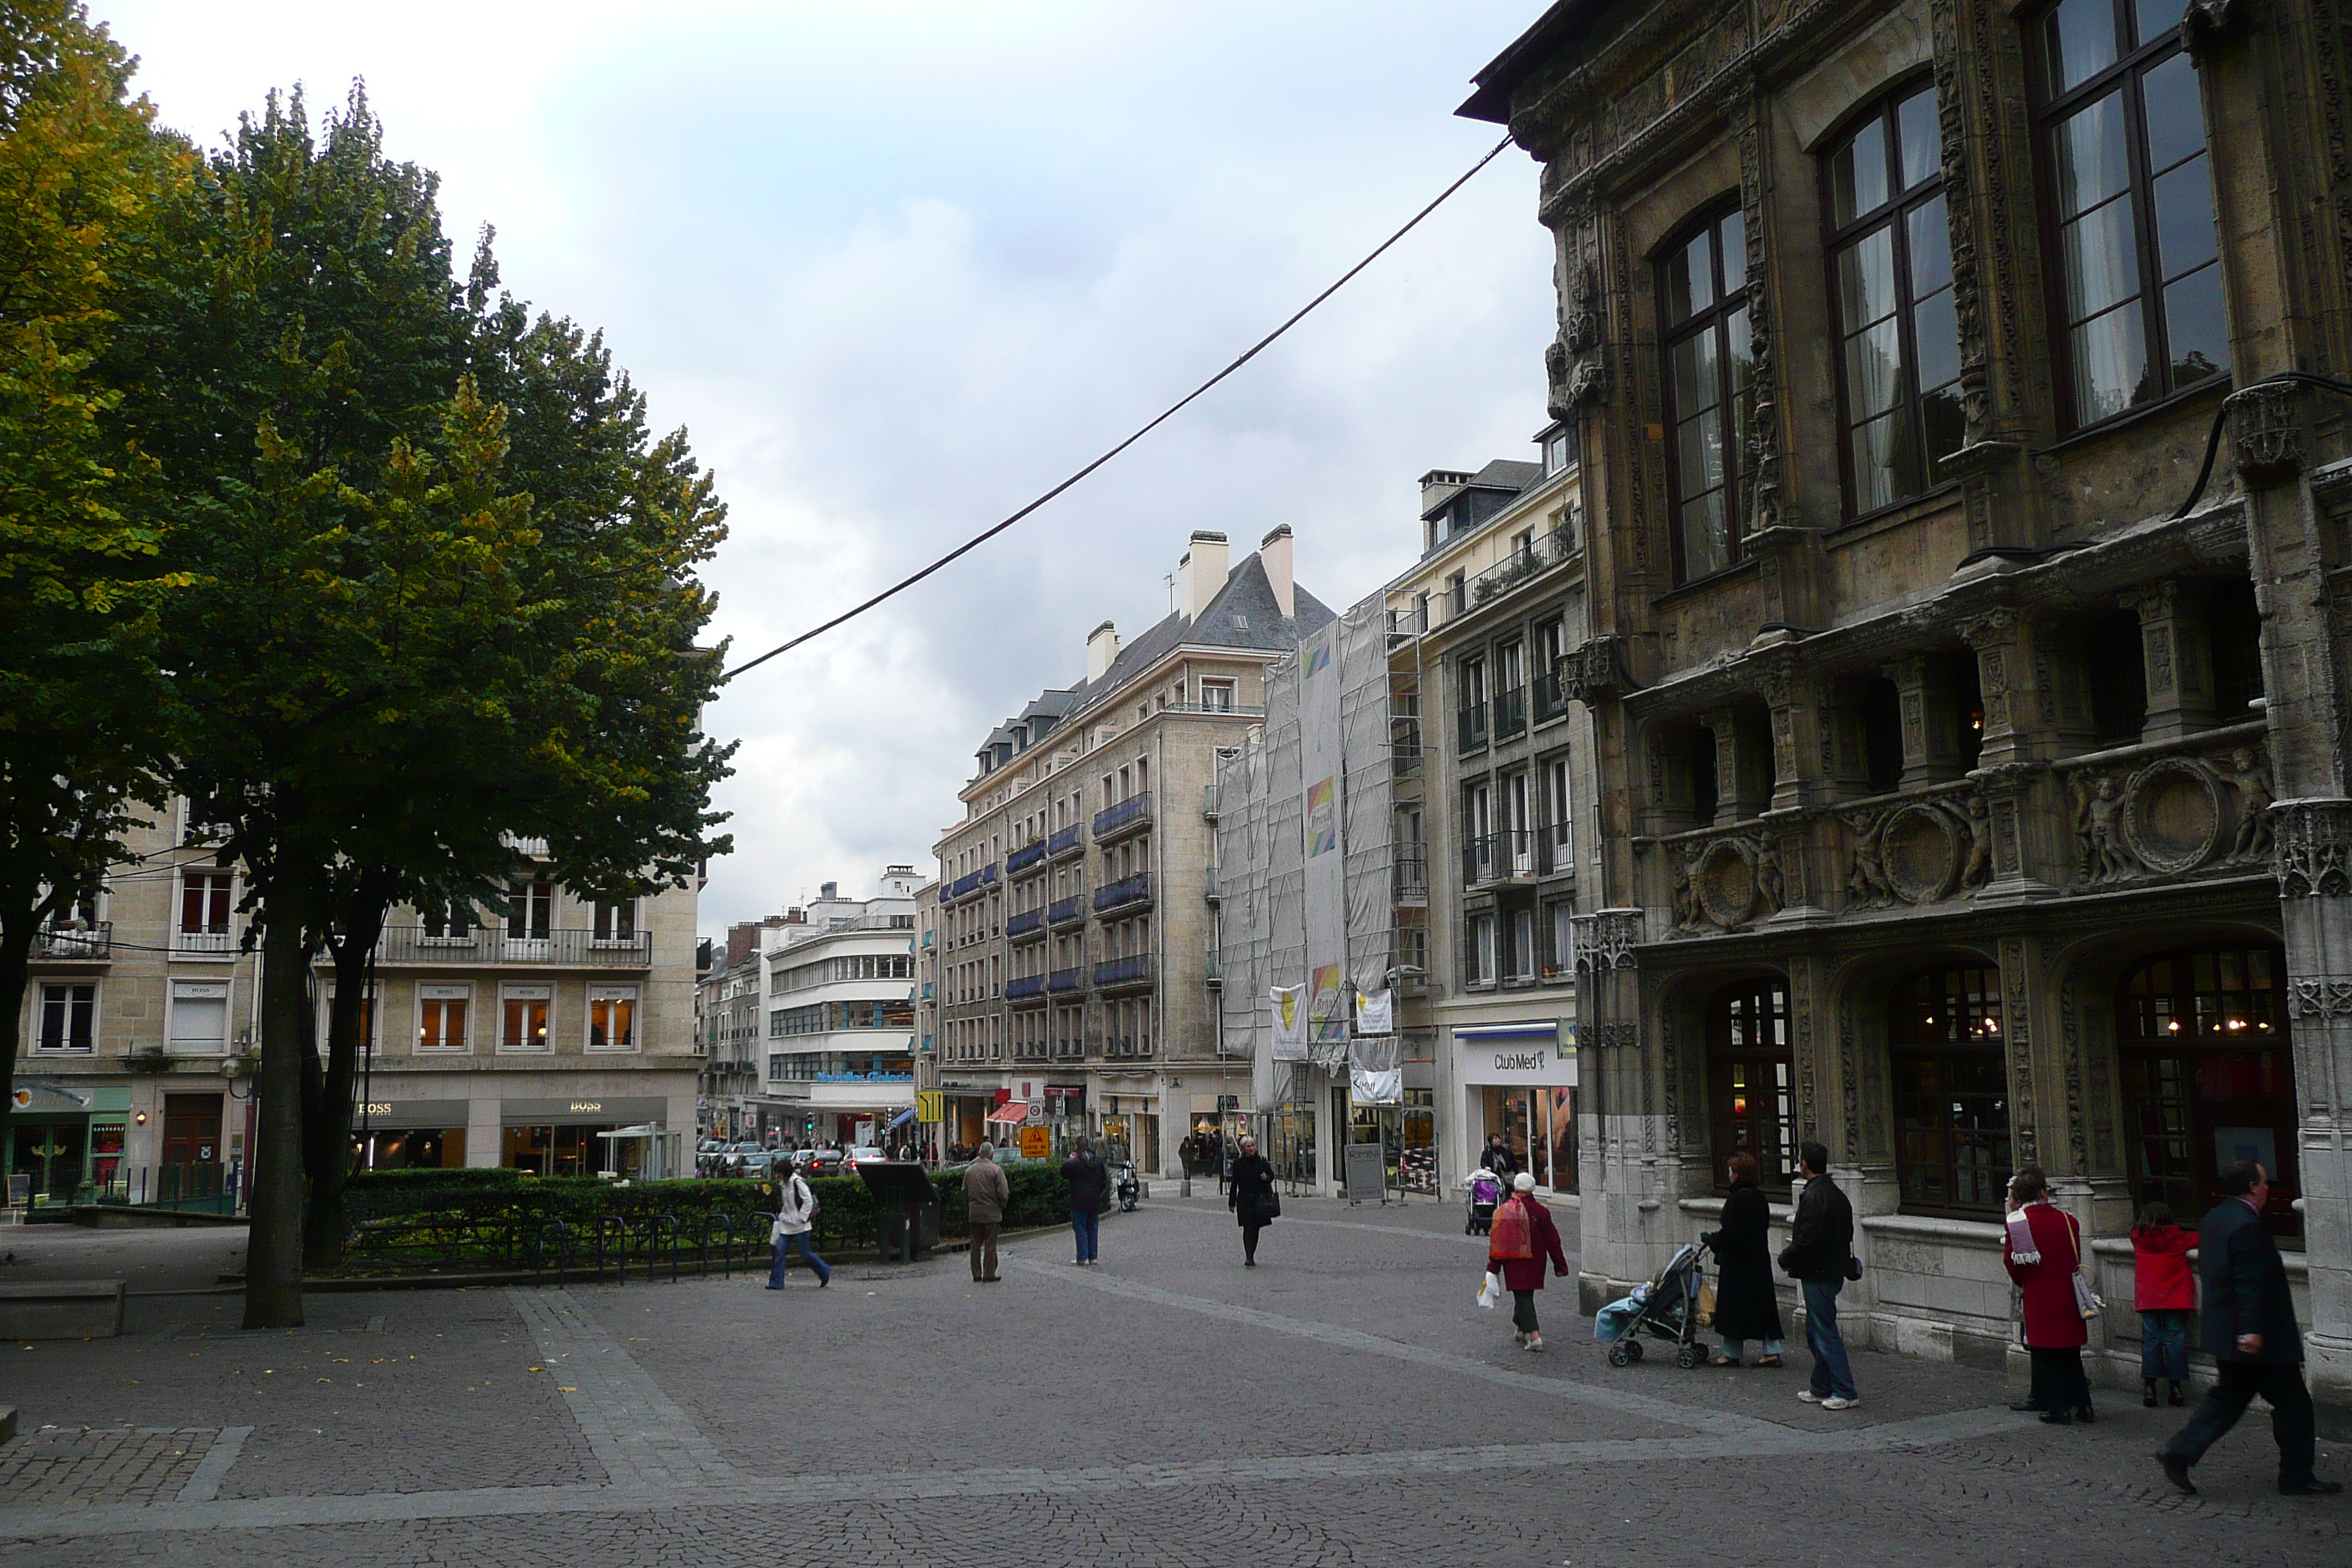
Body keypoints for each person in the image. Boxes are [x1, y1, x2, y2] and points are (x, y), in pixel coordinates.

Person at [2158, 1161, 2342, 1496]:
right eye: (2263, 1181)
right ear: (2254, 1187)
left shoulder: (2215, 1218)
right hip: (2258, 1338)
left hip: (2227, 1331)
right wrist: (2252, 1330)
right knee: (2294, 1404)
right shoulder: (2246, 1225)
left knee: (2228, 1398)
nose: (2268, 1187)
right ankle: (2296, 1475)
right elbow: (2249, 1282)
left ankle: (2180, 1451)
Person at [2001, 1167, 2093, 1425]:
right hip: (2068, 1295)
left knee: (2046, 1355)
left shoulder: (2019, 1223)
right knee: (2071, 1354)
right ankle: (2084, 1405)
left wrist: (2028, 1283)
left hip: (2040, 1295)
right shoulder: (2068, 1219)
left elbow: (2014, 1263)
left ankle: (2058, 1409)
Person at [1778, 1141, 1858, 1409]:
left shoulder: (1815, 1196)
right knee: (1816, 1330)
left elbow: (1808, 1239)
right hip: (1829, 1269)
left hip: (1819, 1272)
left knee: (1824, 1332)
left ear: (1805, 1164)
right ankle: (1821, 1386)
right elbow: (1846, 1233)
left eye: (1800, 1160)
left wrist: (1786, 1257)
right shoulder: (1835, 1193)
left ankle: (1845, 1391)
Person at [1703, 1152, 1784, 1367]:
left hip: (1738, 1263)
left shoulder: (1738, 1199)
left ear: (1737, 1174)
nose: (1729, 1175)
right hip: (1758, 1259)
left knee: (1733, 1309)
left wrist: (1712, 1240)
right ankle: (1772, 1351)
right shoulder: (1759, 1197)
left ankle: (1730, 1353)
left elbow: (1730, 1233)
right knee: (1763, 1306)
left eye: (1731, 1171)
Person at [1489, 1171, 1570, 1351]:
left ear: (1516, 1188)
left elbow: (1498, 1243)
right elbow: (1553, 1240)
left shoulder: (1504, 1212)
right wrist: (1560, 1265)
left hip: (1514, 1261)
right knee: (1525, 1293)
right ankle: (1520, 1327)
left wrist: (1492, 1269)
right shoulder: (1542, 1212)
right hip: (1536, 1261)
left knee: (1523, 1295)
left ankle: (1534, 1336)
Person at [2131, 1200, 2195, 1409]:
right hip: (2175, 1296)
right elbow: (2199, 1239)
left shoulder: (2138, 1239)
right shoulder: (2178, 1238)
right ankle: (2175, 1388)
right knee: (2175, 1339)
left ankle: (2150, 1387)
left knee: (2150, 1340)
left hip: (2148, 1297)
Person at [765, 1157, 832, 1289]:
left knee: (805, 1254)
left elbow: (808, 1201)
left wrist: (802, 1218)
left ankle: (824, 1272)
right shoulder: (784, 1185)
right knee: (779, 1252)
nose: (778, 1175)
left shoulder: (797, 1182)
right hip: (787, 1224)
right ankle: (776, 1282)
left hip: (800, 1225)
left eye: (779, 1173)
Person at [963, 1142, 1010, 1283]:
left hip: (975, 1212)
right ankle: (989, 1274)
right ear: (992, 1155)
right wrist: (1002, 1205)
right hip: (992, 1213)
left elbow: (964, 1192)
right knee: (990, 1244)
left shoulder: (969, 1171)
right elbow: (1003, 1192)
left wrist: (969, 1206)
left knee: (975, 1244)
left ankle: (976, 1273)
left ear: (979, 1153)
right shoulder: (996, 1170)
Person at [1228, 1134, 1277, 1266]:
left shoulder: (1261, 1161)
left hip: (1258, 1198)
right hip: (1244, 1199)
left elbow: (1271, 1175)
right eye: (1248, 1146)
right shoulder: (1239, 1163)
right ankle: (1248, 1256)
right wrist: (1231, 1202)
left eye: (1252, 1146)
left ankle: (1252, 1254)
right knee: (1247, 1227)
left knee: (1255, 1228)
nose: (1251, 1148)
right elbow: (1234, 1183)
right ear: (1244, 1148)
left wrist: (1266, 1177)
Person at [1062, 1137, 1109, 1265]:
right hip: (1094, 1200)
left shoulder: (1075, 1162)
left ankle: (1082, 1257)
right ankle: (1093, 1257)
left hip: (1079, 1200)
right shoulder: (1097, 1161)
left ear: (1077, 1147)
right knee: (1093, 1227)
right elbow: (1104, 1181)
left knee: (1081, 1227)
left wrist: (1070, 1159)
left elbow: (1064, 1172)